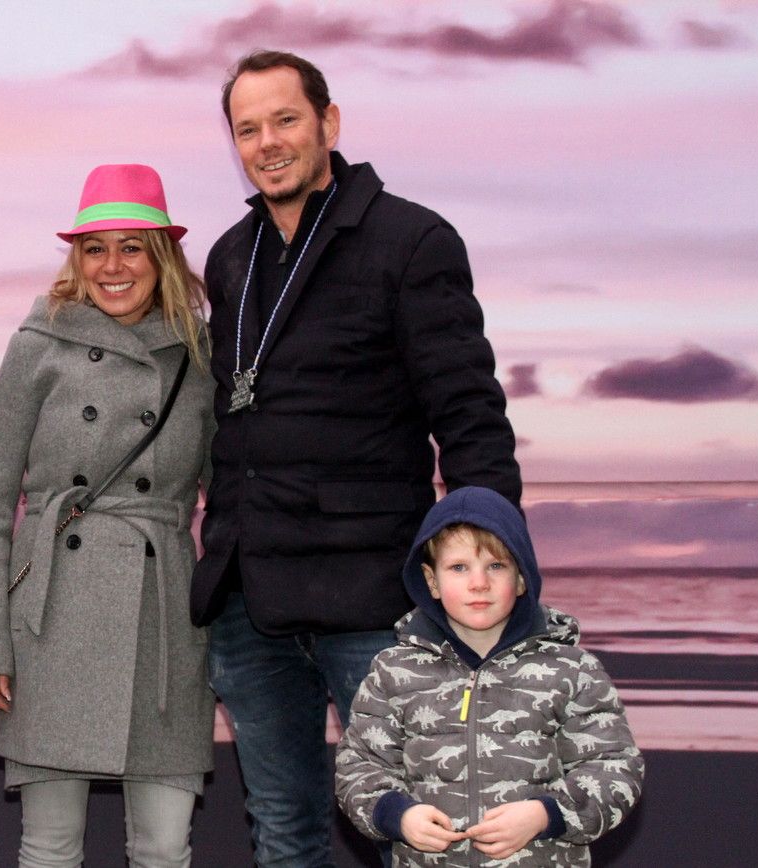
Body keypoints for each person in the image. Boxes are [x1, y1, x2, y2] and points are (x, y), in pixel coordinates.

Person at [191, 50, 524, 866]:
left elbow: (470, 415)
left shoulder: (411, 240)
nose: (267, 143)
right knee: (283, 831)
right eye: (248, 129)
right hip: (250, 602)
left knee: (432, 836)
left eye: (285, 120)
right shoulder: (231, 258)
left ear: (329, 123)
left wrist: (488, 565)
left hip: (376, 598)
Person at [0, 164, 216, 867]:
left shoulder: (199, 353)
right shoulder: (39, 341)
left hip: (163, 621)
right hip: (52, 618)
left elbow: (229, 502)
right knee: (49, 846)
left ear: (161, 255)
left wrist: (226, 628)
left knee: (164, 847)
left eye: (132, 247)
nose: (112, 266)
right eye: (94, 248)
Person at [335, 486, 644, 865]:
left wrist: (546, 814)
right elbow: (359, 765)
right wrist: (397, 815)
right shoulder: (393, 671)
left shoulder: (572, 670)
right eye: (459, 567)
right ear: (431, 581)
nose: (479, 582)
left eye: (496, 566)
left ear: (521, 578)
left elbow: (616, 767)